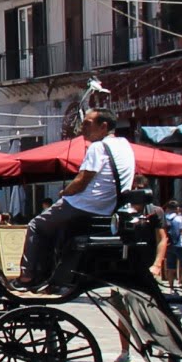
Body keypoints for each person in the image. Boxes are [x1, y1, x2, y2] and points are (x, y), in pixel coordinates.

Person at [19, 107, 135, 290]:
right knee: (55, 230)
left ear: (104, 126)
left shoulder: (98, 147)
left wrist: (64, 193)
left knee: (36, 225)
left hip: (84, 204)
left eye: (88, 124)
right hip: (106, 207)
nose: (83, 129)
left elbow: (82, 180)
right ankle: (52, 276)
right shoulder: (125, 145)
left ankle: (26, 276)